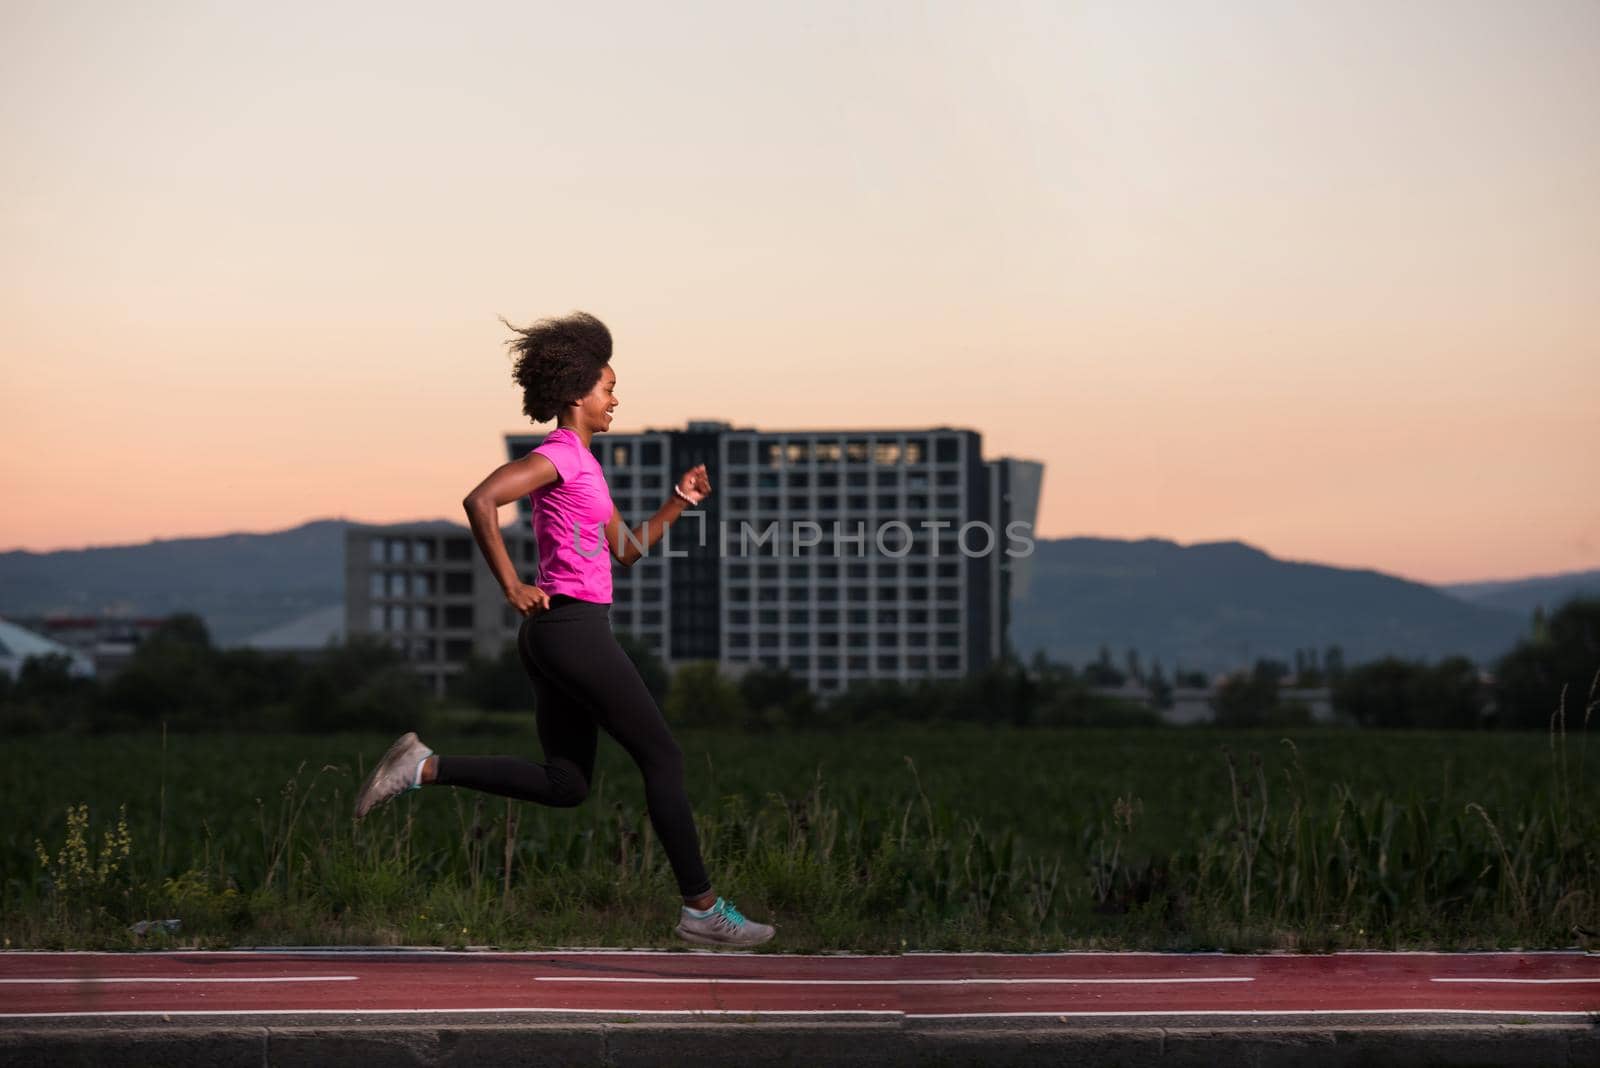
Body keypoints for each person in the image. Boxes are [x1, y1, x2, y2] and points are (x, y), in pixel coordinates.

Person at [353, 311, 774, 948]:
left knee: (566, 784)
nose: (615, 400)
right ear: (579, 395)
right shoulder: (556, 456)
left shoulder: (585, 468)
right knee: (663, 756)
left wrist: (679, 501)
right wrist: (512, 584)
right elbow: (481, 500)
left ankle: (422, 767)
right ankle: (701, 910)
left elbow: (626, 550)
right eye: (608, 389)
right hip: (571, 629)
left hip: (558, 635)